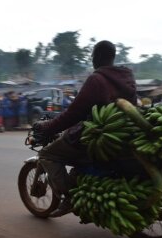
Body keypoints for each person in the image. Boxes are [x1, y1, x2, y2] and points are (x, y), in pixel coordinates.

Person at [33, 40, 137, 217]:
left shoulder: (96, 79)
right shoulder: (127, 76)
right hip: (123, 132)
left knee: (47, 154)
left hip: (95, 135)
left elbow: (73, 113)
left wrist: (48, 128)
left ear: (96, 58)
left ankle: (69, 197)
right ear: (112, 57)